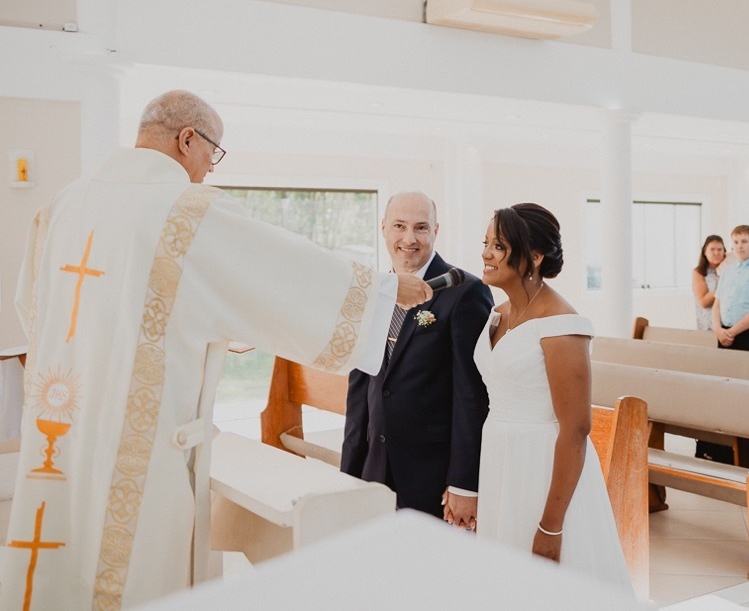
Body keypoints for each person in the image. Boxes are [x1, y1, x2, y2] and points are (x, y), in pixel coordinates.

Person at [3, 90, 431, 610]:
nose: (208, 169)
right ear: (188, 139)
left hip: (62, 431)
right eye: (213, 154)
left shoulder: (61, 206)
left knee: (61, 557)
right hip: (141, 443)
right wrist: (383, 293)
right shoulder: (183, 210)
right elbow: (279, 267)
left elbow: (38, 311)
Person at [473, 203, 631, 593]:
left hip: (540, 468)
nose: (486, 254)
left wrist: (551, 524)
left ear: (535, 257)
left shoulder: (562, 326)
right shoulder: (497, 313)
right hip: (499, 460)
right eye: (486, 243)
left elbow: (576, 430)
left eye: (499, 246)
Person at [341, 191, 492, 524]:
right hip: (374, 469)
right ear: (383, 228)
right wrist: (348, 474)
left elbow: (472, 396)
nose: (409, 239)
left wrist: (464, 483)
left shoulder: (464, 292)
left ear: (436, 231)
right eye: (399, 226)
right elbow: (360, 392)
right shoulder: (372, 291)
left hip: (432, 475)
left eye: (421, 228)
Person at [692, 235, 726, 330]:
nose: (716, 253)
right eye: (712, 249)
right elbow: (703, 302)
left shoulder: (730, 269)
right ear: (705, 252)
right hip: (708, 324)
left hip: (729, 323)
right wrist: (725, 286)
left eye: (720, 249)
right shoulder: (699, 272)